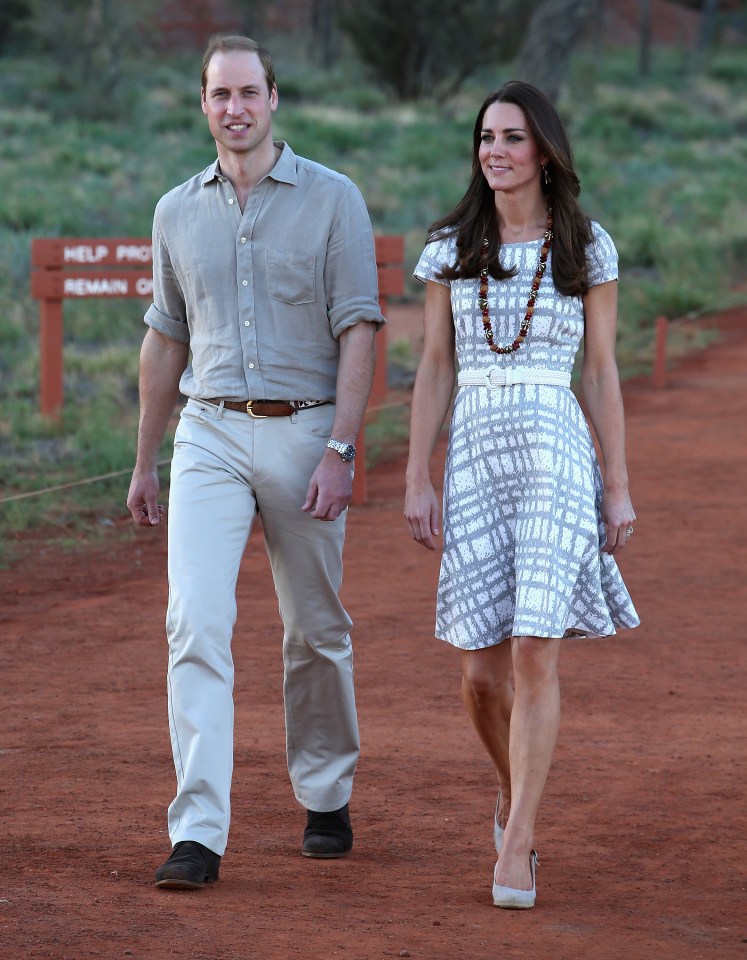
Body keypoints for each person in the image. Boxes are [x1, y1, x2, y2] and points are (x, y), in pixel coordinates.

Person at [126, 34, 384, 890]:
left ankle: (325, 793)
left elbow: (358, 327)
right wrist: (145, 460)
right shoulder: (175, 211)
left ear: (273, 97)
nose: (233, 108)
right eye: (217, 94)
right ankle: (198, 831)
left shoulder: (333, 199)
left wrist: (342, 448)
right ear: (202, 105)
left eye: (247, 91)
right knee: (193, 622)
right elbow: (165, 337)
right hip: (209, 432)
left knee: (314, 631)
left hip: (308, 432)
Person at [404, 81, 639, 910]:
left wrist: (617, 487)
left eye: (510, 137)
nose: (493, 151)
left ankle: (518, 843)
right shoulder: (448, 246)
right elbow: (434, 367)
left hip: (554, 452)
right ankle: (513, 792)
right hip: (473, 454)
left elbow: (602, 371)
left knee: (537, 647)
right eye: (484, 138)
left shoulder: (585, 245)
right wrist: (416, 473)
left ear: (543, 149)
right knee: (479, 674)